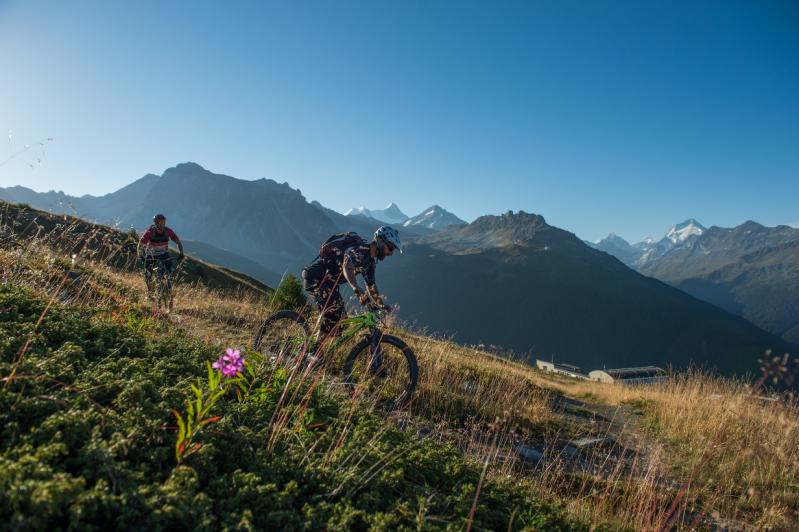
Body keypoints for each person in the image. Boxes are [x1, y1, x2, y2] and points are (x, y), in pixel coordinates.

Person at [302, 226, 402, 341]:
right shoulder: (359, 250)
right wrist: (356, 288)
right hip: (316, 278)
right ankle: (314, 353)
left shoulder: (370, 263)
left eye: (393, 250)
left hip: (329, 283)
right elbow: (347, 267)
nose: (391, 253)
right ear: (379, 240)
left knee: (342, 322)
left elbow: (371, 287)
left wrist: (381, 304)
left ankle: (315, 344)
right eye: (390, 247)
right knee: (333, 314)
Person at [137, 214, 184, 305]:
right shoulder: (150, 232)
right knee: (148, 275)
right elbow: (141, 244)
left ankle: (169, 291)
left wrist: (181, 253)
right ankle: (150, 294)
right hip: (151, 255)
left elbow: (177, 241)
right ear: (156, 223)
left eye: (164, 222)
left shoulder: (168, 231)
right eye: (160, 222)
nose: (162, 224)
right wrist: (141, 255)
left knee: (169, 273)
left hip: (164, 254)